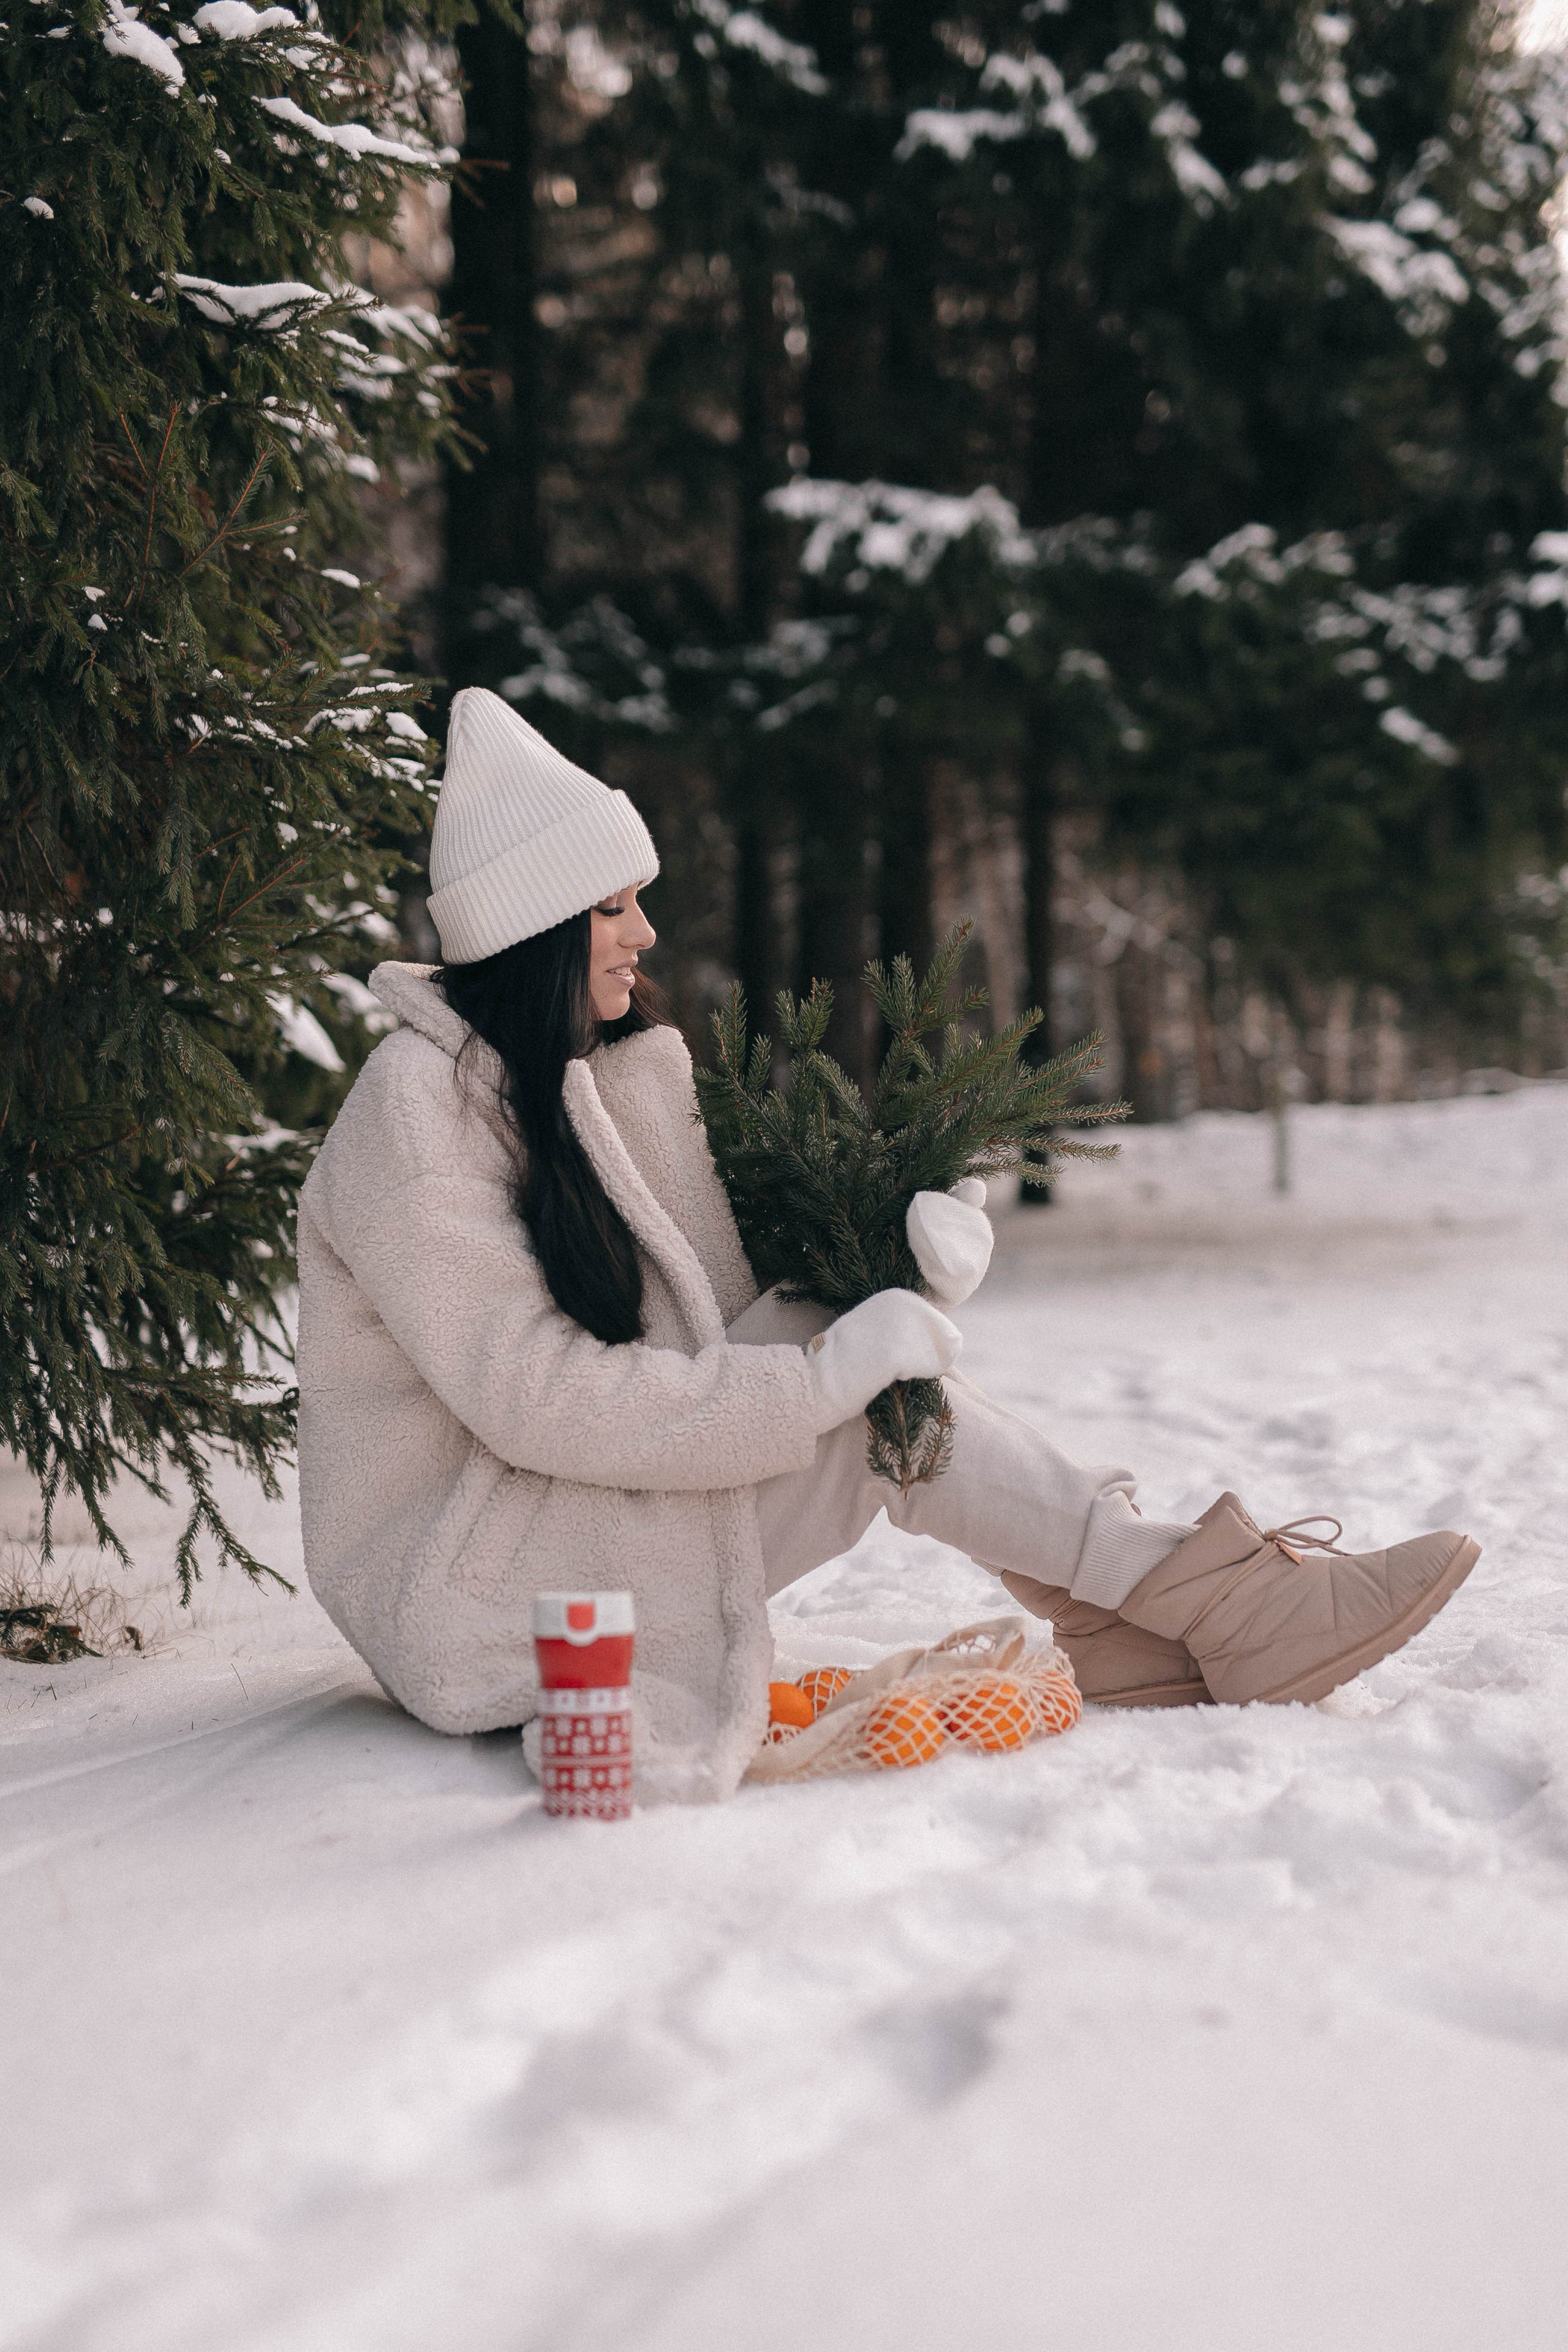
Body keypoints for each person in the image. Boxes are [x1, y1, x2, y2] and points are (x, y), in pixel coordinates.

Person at [296, 690, 1480, 1800]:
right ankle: (1215, 1600)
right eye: (612, 908)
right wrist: (826, 1378)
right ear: (537, 927)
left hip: (568, 1521)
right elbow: (537, 1397)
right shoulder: (414, 1113)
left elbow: (730, 1309)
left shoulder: (589, 1076)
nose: (644, 931)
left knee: (857, 1372)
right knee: (867, 1418)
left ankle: (1136, 1620)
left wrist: (898, 1275)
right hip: (477, 1590)